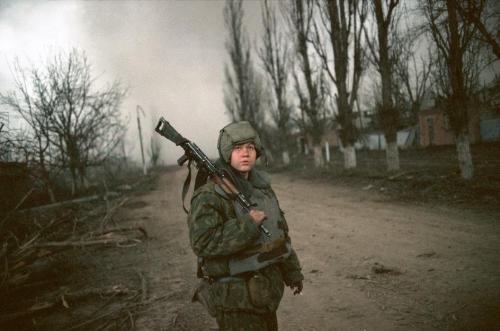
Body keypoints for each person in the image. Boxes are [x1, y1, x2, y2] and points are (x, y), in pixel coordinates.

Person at [188, 121, 304, 331]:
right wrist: (248, 225)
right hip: (235, 300)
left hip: (266, 293)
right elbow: (202, 243)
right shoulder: (209, 196)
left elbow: (279, 235)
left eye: (250, 147)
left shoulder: (262, 189)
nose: (245, 154)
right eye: (238, 148)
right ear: (227, 152)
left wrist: (292, 272)